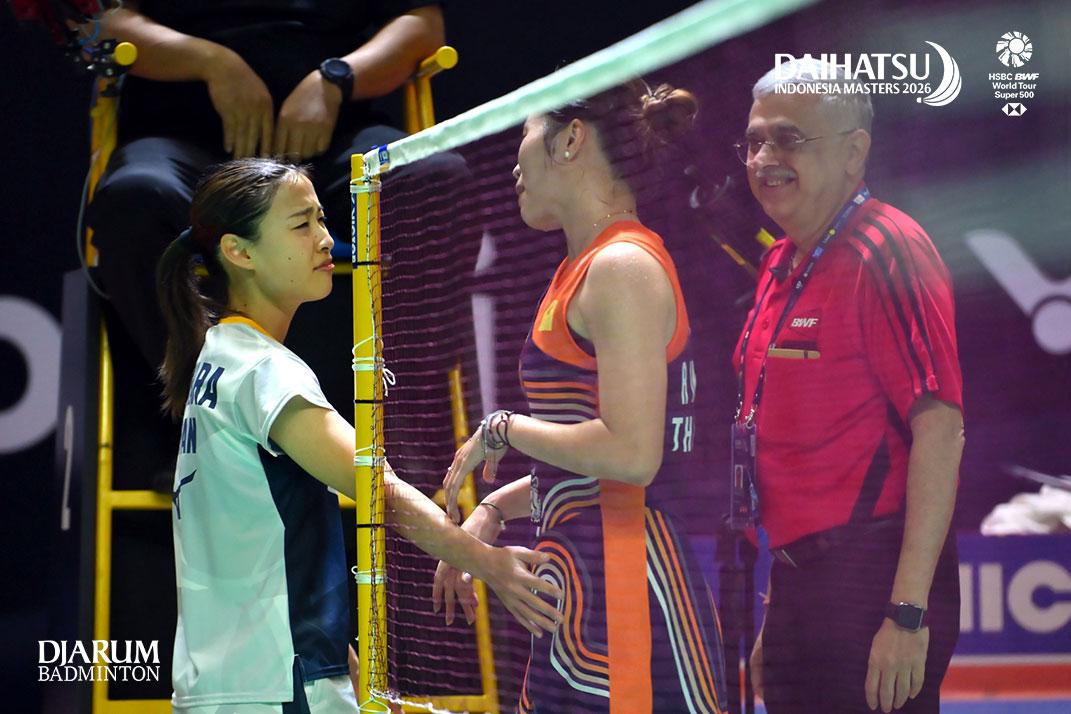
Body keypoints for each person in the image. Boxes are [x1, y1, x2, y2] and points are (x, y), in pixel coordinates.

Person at [156, 158, 562, 714]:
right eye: (301, 225)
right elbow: (378, 489)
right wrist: (488, 562)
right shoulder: (264, 371)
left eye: (322, 219)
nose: (326, 239)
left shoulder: (218, 355)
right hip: (276, 686)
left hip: (226, 680)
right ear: (239, 252)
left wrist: (331, 655)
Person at [433, 81, 728, 714]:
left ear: (570, 140)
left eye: (525, 133)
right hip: (576, 597)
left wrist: (504, 428)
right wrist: (494, 509)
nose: (514, 164)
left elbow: (632, 455)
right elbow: (588, 472)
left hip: (632, 604)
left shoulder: (622, 267)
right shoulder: (584, 268)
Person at [732, 59, 964, 713]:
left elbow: (941, 429)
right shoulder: (779, 261)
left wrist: (906, 615)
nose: (764, 159)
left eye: (787, 139)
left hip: (875, 580)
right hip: (798, 580)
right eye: (753, 141)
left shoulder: (888, 250)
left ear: (853, 152)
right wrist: (779, 614)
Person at [90, 0, 446, 371]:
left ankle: (408, 389)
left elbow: (420, 23)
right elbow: (104, 23)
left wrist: (335, 79)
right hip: (181, 134)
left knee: (432, 179)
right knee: (135, 199)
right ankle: (203, 389)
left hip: (332, 132)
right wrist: (211, 62)